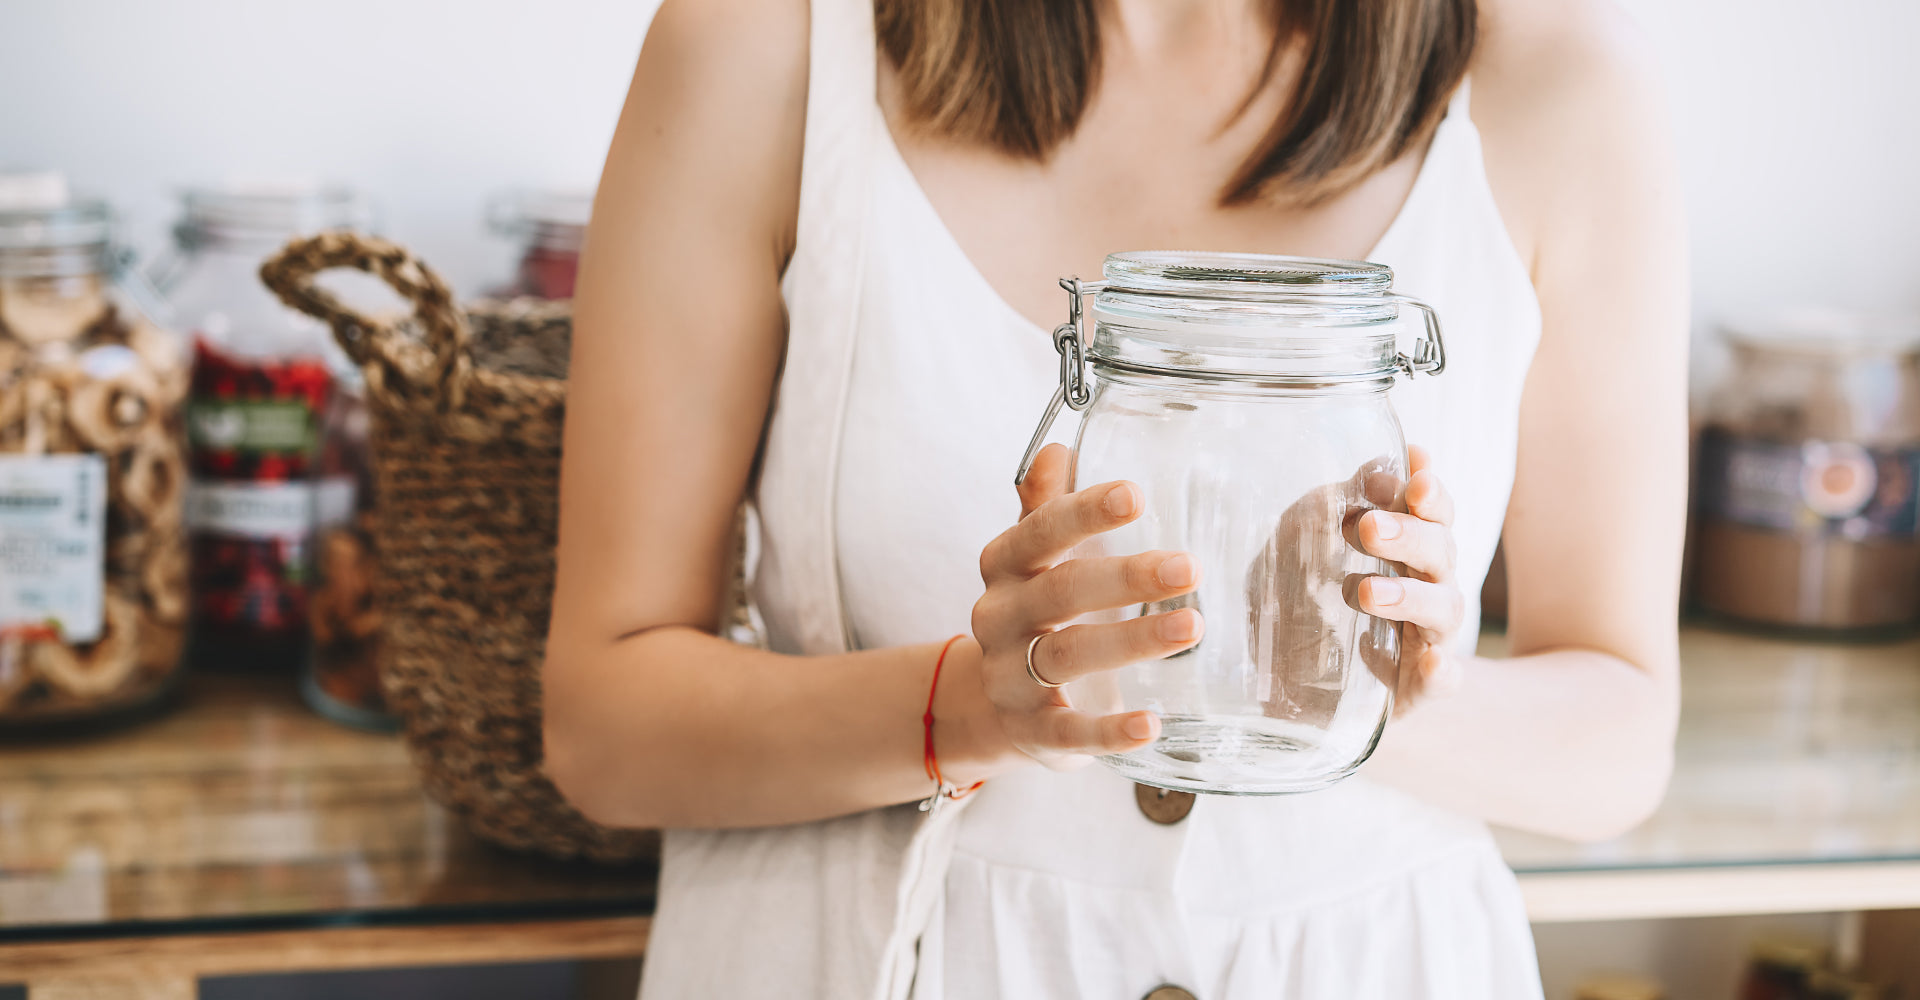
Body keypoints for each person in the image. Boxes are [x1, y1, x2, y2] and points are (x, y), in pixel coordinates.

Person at [542, 0, 1688, 995]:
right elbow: (603, 728)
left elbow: (1620, 743)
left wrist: (1382, 687)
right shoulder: (758, 51)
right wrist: (965, 705)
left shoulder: (1560, 81)